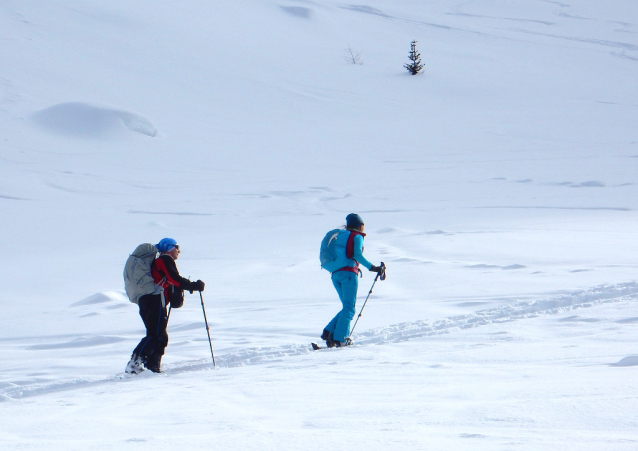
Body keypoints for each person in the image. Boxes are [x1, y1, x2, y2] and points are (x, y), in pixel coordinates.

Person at [126, 238, 205, 374]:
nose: (178, 251)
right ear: (169, 248)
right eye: (176, 247)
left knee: (159, 335)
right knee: (157, 334)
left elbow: (169, 281)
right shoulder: (165, 259)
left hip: (147, 300)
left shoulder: (158, 262)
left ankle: (152, 368)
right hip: (154, 300)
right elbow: (175, 278)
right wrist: (193, 286)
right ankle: (135, 362)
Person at [321, 214, 384, 347]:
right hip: (349, 274)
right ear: (360, 226)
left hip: (335, 274)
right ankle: (340, 338)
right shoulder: (356, 236)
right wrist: (373, 268)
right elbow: (357, 255)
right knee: (349, 308)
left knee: (347, 307)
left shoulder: (341, 237)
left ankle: (329, 332)